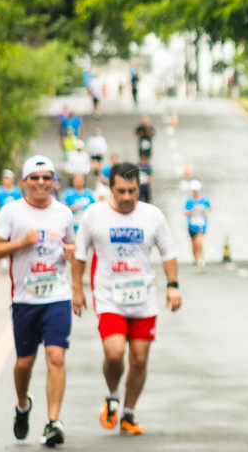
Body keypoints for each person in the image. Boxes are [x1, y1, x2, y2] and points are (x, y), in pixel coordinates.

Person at [71, 162, 182, 435]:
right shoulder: (94, 215)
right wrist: (77, 289)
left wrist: (173, 285)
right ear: (110, 187)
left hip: (144, 299)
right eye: (121, 191)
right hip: (109, 297)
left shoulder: (153, 216)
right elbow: (79, 254)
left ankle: (128, 413)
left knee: (140, 360)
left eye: (133, 191)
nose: (127, 197)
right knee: (114, 352)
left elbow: (169, 253)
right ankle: (112, 395)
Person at [0, 155, 75, 447]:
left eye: (46, 177)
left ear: (53, 182)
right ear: (24, 182)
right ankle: (23, 405)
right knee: (24, 363)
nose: (40, 182)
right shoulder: (11, 213)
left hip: (57, 296)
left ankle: (53, 422)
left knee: (56, 356)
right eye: (34, 178)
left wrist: (70, 253)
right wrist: (21, 242)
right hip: (24, 300)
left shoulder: (64, 213)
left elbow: (70, 245)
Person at [184, 179, 211, 268]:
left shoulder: (205, 199)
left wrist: (207, 213)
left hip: (201, 224)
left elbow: (209, 208)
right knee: (193, 244)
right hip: (192, 225)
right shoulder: (189, 200)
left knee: (199, 242)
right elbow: (185, 213)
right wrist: (192, 211)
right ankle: (195, 258)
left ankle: (201, 258)